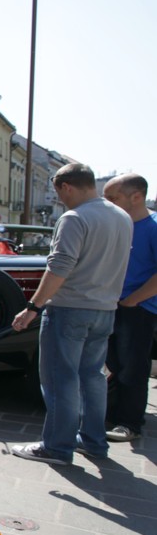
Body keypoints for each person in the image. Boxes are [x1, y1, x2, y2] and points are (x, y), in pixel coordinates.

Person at [10, 163, 131, 465]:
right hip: (104, 309)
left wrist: (33, 306)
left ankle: (57, 447)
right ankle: (94, 442)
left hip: (69, 309)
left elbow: (59, 268)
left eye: (58, 193)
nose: (60, 200)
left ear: (66, 187)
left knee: (60, 379)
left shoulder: (74, 218)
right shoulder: (122, 216)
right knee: (92, 377)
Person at [102, 173, 157, 443]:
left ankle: (130, 423)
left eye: (113, 198)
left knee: (133, 366)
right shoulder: (117, 224)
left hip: (139, 309)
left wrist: (133, 299)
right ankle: (112, 416)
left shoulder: (154, 226)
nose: (108, 204)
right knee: (112, 365)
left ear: (136, 197)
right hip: (111, 304)